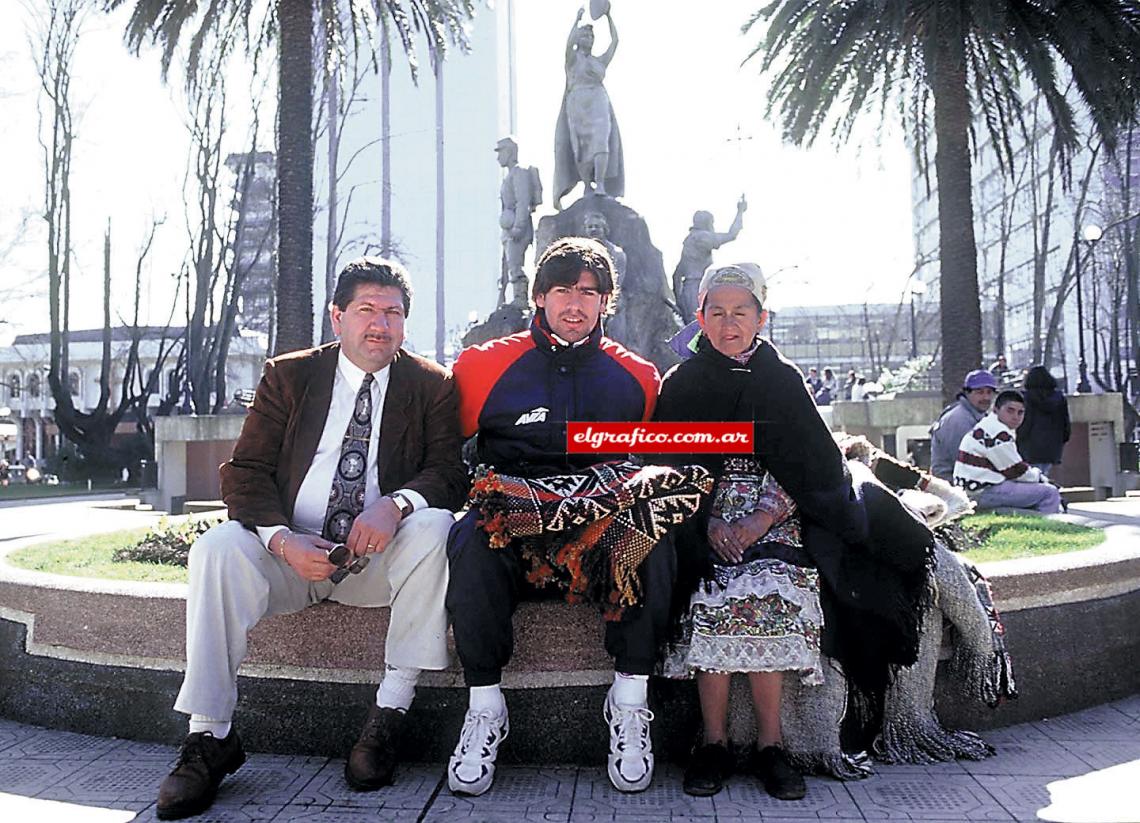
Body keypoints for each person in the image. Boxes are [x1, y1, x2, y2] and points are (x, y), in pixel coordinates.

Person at [155, 258, 467, 820]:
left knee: (435, 524)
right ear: (337, 317)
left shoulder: (431, 385)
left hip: (376, 563)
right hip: (292, 558)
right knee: (217, 549)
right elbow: (243, 473)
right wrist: (281, 542)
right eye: (367, 310)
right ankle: (210, 736)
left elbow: (448, 473)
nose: (380, 324)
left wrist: (395, 505)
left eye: (393, 312)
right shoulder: (289, 376)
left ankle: (389, 715)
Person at [655, 264, 932, 801]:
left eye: (741, 312)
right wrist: (709, 522)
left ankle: (771, 747)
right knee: (708, 595)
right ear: (700, 318)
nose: (729, 323)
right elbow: (668, 468)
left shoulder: (781, 380)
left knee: (772, 591)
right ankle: (710, 744)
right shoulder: (682, 384)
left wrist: (759, 519)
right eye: (717, 312)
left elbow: (813, 467)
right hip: (704, 519)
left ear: (762, 318)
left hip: (775, 516)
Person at [446, 237, 692, 797]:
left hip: (600, 522)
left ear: (607, 301)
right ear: (538, 295)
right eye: (562, 290)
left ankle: (629, 702)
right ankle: (484, 707)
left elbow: (653, 463)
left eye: (590, 292)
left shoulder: (639, 376)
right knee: (468, 538)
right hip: (514, 513)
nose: (576, 303)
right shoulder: (482, 365)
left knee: (653, 534)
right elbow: (444, 453)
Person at [553, 7, 623, 209]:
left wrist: (609, 16)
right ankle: (586, 185)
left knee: (601, 141)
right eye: (585, 36)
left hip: (597, 99)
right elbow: (567, 45)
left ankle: (600, 183)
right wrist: (576, 21)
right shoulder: (573, 60)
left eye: (591, 36)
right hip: (577, 101)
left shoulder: (598, 61)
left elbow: (615, 42)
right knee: (581, 147)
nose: (589, 39)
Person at [953, 389, 1062, 513]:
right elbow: (1015, 471)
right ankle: (1048, 528)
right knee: (1049, 493)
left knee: (1037, 489)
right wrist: (1041, 477)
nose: (1015, 417)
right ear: (996, 410)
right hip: (982, 492)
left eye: (1020, 413)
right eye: (1010, 411)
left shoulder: (987, 425)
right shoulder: (997, 433)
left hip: (972, 489)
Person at [671, 197, 747, 323]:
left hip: (689, 290)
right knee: (701, 328)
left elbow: (676, 275)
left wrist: (679, 301)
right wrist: (740, 212)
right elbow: (731, 235)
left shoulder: (689, 241)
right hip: (699, 288)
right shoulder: (702, 238)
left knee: (694, 329)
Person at [495, 137, 542, 308]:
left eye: (500, 152)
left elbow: (523, 202)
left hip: (517, 229)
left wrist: (518, 227)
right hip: (508, 230)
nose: (498, 157)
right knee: (507, 268)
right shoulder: (509, 175)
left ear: (509, 152)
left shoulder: (519, 173)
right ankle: (512, 299)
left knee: (516, 266)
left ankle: (521, 299)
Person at [929, 369, 998, 481]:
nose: (986, 397)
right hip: (953, 485)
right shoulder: (958, 420)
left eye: (989, 392)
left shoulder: (977, 416)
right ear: (967, 393)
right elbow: (965, 461)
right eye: (980, 392)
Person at [1018, 365, 1071, 476]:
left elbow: (1025, 423)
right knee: (1043, 475)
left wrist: (1018, 439)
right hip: (1052, 447)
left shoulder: (1026, 399)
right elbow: (1066, 425)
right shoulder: (1059, 399)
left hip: (1029, 447)